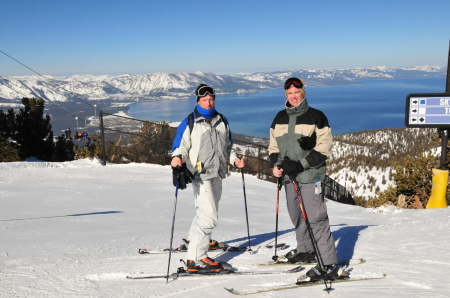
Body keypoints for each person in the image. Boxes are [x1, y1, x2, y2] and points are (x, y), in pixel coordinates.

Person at [268, 77, 339, 281]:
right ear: (286, 95)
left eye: (296, 93)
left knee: (316, 218)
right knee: (296, 216)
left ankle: (329, 264)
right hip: (291, 178)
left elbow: (324, 149)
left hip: (310, 176)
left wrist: (300, 165)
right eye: (290, 93)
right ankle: (306, 249)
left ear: (303, 93)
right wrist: (277, 166)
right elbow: (274, 148)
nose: (293, 96)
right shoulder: (280, 117)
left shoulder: (317, 116)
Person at [171, 83, 245, 272]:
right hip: (199, 175)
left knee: (204, 214)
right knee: (209, 217)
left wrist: (235, 160)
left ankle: (195, 243)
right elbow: (180, 146)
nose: (208, 102)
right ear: (198, 101)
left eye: (211, 99)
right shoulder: (190, 122)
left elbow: (228, 147)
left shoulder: (222, 120)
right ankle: (195, 258)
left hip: (217, 174)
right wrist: (177, 158)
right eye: (204, 100)